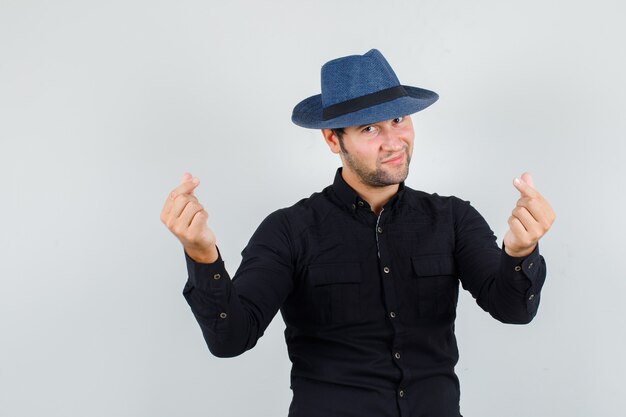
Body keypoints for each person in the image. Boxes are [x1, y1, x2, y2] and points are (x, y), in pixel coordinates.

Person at [160, 49, 555, 417]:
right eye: (370, 128)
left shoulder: (453, 218)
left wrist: (521, 251)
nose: (393, 141)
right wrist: (201, 256)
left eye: (398, 120)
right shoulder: (288, 230)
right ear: (334, 139)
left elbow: (514, 310)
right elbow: (231, 339)